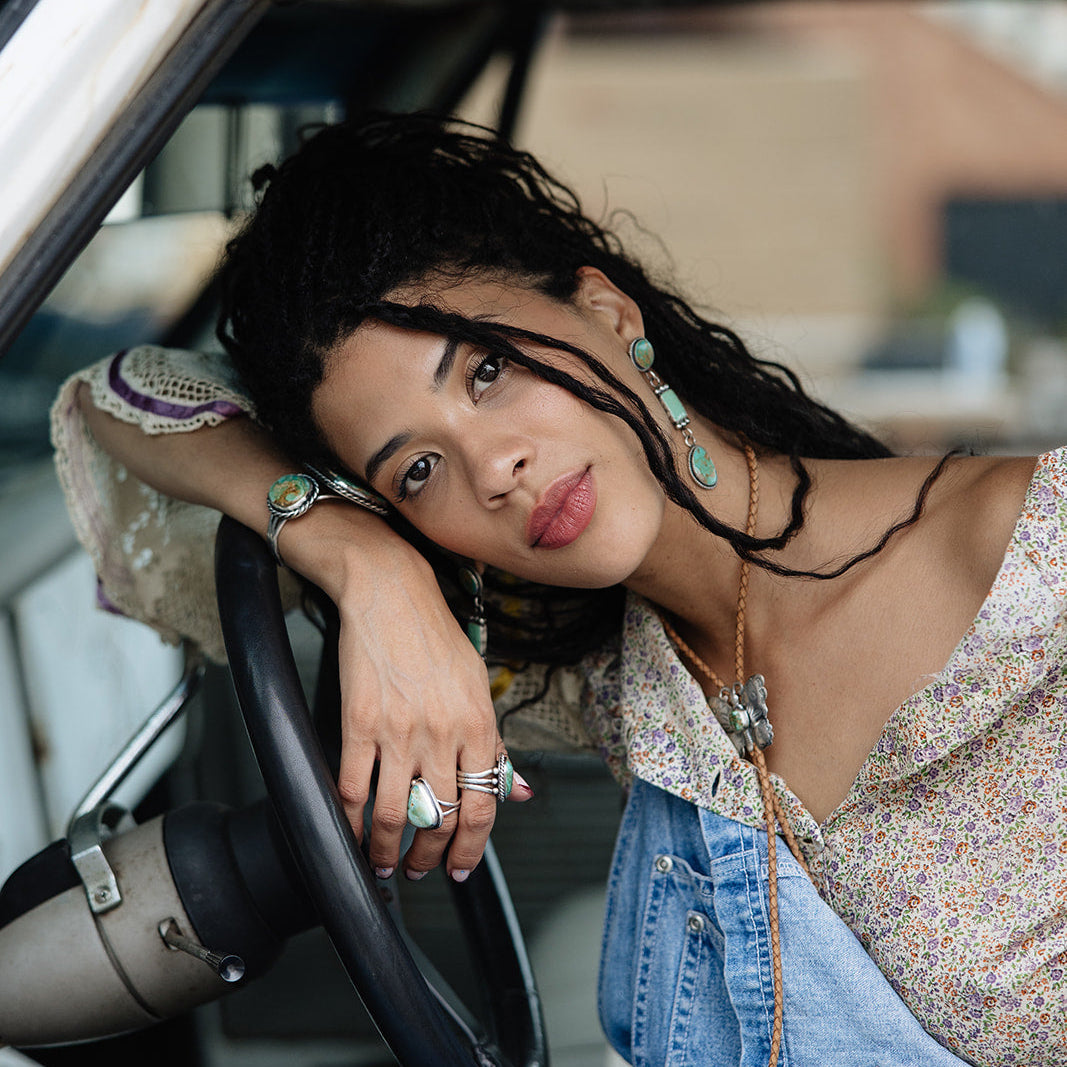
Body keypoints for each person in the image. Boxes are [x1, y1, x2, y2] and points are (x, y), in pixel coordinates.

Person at [51, 113, 1066, 1066]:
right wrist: (360, 558)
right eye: (417, 470)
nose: (492, 468)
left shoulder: (1034, 552)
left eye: (487, 371)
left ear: (607, 312)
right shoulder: (616, 682)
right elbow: (117, 394)